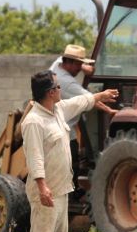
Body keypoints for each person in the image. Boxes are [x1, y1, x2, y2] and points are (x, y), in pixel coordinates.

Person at [21, 70, 118, 232]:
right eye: (57, 87)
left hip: (61, 189)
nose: (60, 90)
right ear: (49, 92)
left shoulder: (57, 111)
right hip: (45, 190)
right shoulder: (34, 122)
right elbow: (34, 157)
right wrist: (42, 186)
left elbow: (79, 102)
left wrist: (98, 97)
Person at [49, 44, 117, 188]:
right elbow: (91, 99)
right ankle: (69, 195)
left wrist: (84, 67)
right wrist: (110, 111)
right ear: (69, 62)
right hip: (62, 129)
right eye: (78, 64)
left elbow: (85, 69)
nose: (80, 67)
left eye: (82, 64)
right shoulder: (66, 83)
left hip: (56, 122)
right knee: (72, 163)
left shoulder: (57, 64)